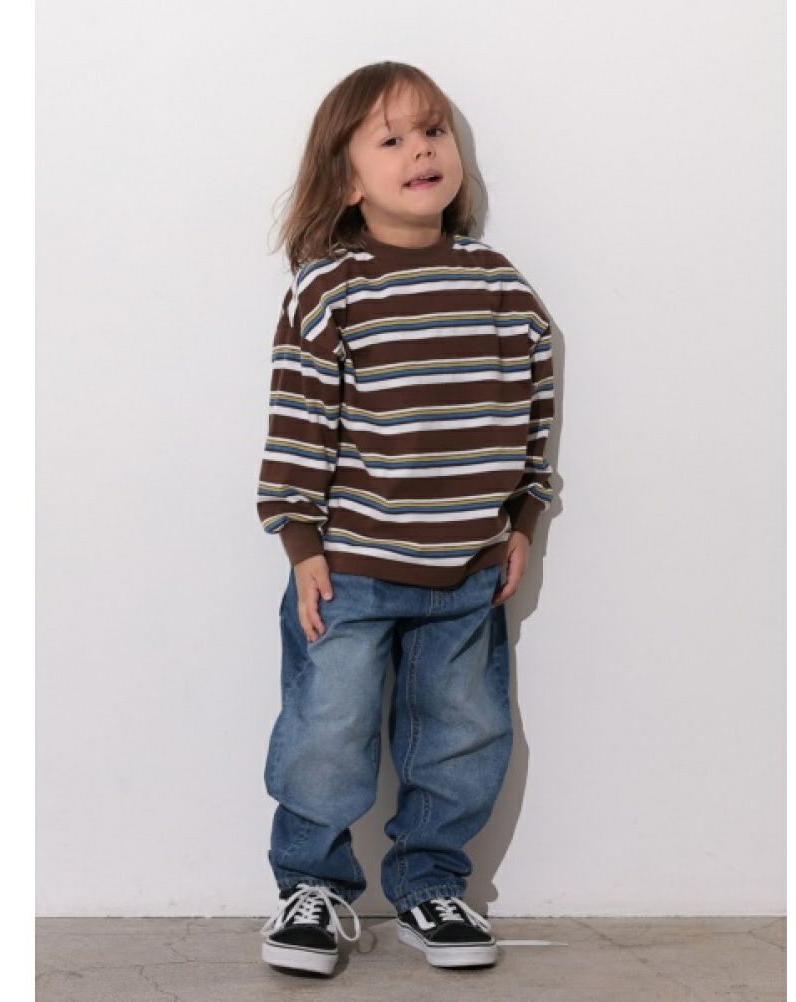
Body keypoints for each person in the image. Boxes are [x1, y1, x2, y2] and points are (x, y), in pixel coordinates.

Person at [255, 60, 557, 977]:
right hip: (349, 569)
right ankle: (312, 889)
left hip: (467, 571)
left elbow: (532, 409)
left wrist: (523, 518)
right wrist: (300, 541)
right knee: (326, 733)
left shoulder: (501, 287)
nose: (421, 151)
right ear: (347, 179)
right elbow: (299, 420)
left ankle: (432, 884)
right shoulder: (330, 289)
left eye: (433, 131)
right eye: (391, 139)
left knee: (461, 738)